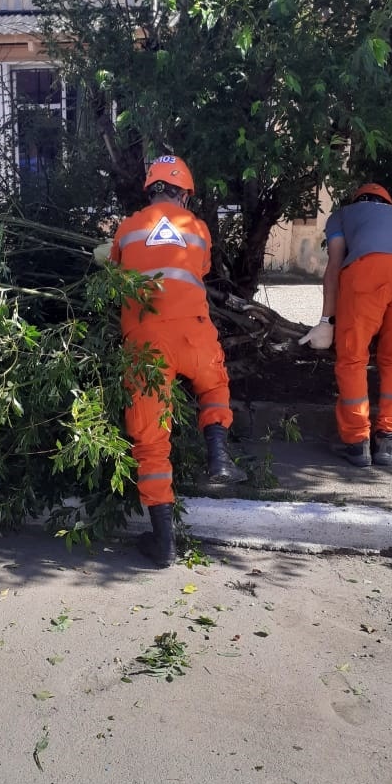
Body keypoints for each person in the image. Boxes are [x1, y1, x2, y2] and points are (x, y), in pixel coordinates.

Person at [97, 154, 245, 568]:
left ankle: (163, 543)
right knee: (214, 386)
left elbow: (113, 274)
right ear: (184, 193)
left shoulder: (127, 228)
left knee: (149, 441)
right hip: (193, 331)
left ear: (151, 189)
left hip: (145, 343)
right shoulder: (195, 228)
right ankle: (218, 455)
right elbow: (201, 268)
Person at [299, 182, 392, 467]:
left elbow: (335, 267)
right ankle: (387, 439)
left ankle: (356, 443)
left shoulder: (343, 215)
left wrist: (326, 322)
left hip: (369, 272)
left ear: (358, 200)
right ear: (387, 203)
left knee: (352, 357)